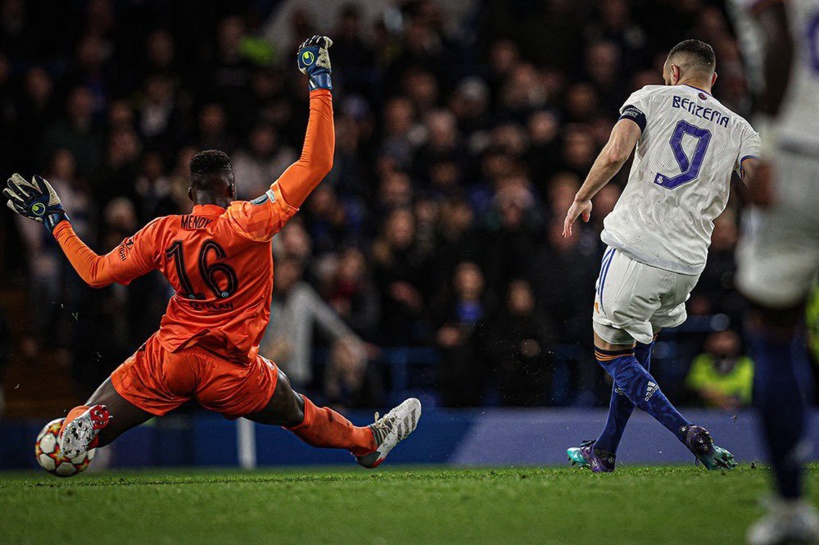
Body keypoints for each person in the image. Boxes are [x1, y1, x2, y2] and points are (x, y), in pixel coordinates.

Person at [4, 36, 421, 472]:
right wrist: (320, 82)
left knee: (110, 406)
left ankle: (84, 425)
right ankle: (365, 442)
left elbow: (93, 272)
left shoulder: (162, 232)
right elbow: (316, 162)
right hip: (233, 370)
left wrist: (57, 221)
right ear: (232, 189)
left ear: (190, 193)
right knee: (296, 409)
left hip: (173, 356)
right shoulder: (250, 219)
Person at [562, 39, 759, 472]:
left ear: (672, 72)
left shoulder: (650, 97)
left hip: (637, 249)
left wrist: (582, 196)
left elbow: (616, 152)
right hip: (687, 266)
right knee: (637, 347)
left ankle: (687, 432)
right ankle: (605, 450)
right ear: (714, 81)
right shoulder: (740, 127)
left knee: (611, 356)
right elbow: (757, 180)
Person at [731, 1, 819, 542]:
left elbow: (779, 35)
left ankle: (790, 508)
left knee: (773, 331)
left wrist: (760, 141)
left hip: (799, 152)